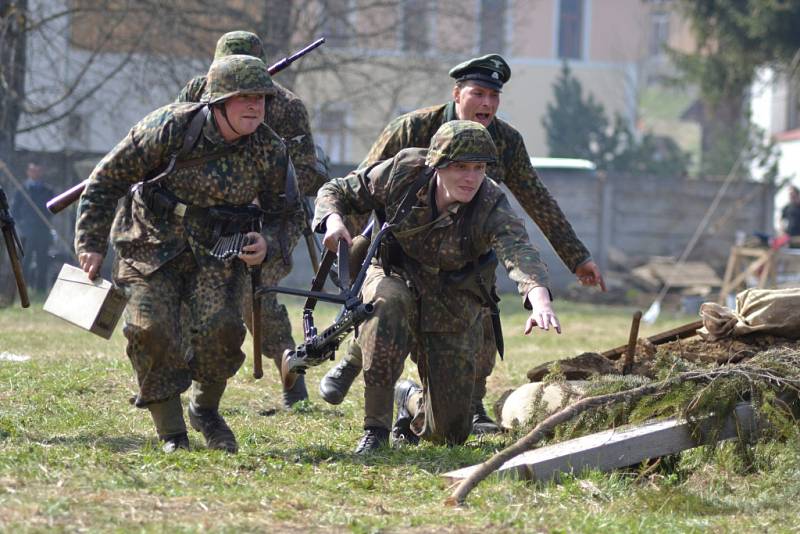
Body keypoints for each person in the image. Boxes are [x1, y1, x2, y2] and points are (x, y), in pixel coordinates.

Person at [318, 54, 603, 434]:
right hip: (402, 248)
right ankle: (358, 366)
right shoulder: (412, 132)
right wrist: (340, 235)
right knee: (386, 306)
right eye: (478, 93)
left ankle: (455, 404)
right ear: (457, 93)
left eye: (494, 96)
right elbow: (360, 187)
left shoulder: (505, 146)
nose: (486, 103)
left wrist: (572, 262)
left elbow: (534, 205)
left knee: (475, 357)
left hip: (463, 265)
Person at [75, 55, 303, 453]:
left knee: (224, 333)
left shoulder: (269, 149)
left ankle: (205, 409)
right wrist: (90, 243)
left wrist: (269, 243)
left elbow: (288, 213)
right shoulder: (169, 126)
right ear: (217, 102)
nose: (254, 106)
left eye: (261, 98)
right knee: (151, 330)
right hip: (148, 243)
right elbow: (106, 179)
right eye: (243, 97)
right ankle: (172, 432)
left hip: (217, 252)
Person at [314, 120, 560, 452]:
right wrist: (333, 220)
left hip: (450, 301)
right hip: (392, 272)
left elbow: (520, 252)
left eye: (479, 167)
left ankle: (409, 398)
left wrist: (540, 300)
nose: (471, 177)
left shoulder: (490, 203)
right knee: (388, 302)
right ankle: (375, 430)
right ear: (437, 165)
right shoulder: (404, 171)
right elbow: (338, 190)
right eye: (460, 167)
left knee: (449, 433)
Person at [177, 31, 327, 408]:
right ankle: (165, 380)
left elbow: (308, 174)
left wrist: (264, 184)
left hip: (269, 217)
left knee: (253, 295)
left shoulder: (286, 107)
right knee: (181, 290)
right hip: (206, 215)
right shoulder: (197, 92)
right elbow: (173, 147)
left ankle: (288, 369)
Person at [11, 162, 55, 292]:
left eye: (38, 170)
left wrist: (45, 216)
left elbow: (52, 209)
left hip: (43, 230)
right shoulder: (21, 190)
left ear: (41, 172)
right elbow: (14, 211)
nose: (35, 173)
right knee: (25, 260)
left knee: (43, 260)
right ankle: (23, 289)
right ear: (28, 172)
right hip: (27, 232)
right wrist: (22, 225)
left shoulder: (48, 190)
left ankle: (40, 289)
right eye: (33, 170)